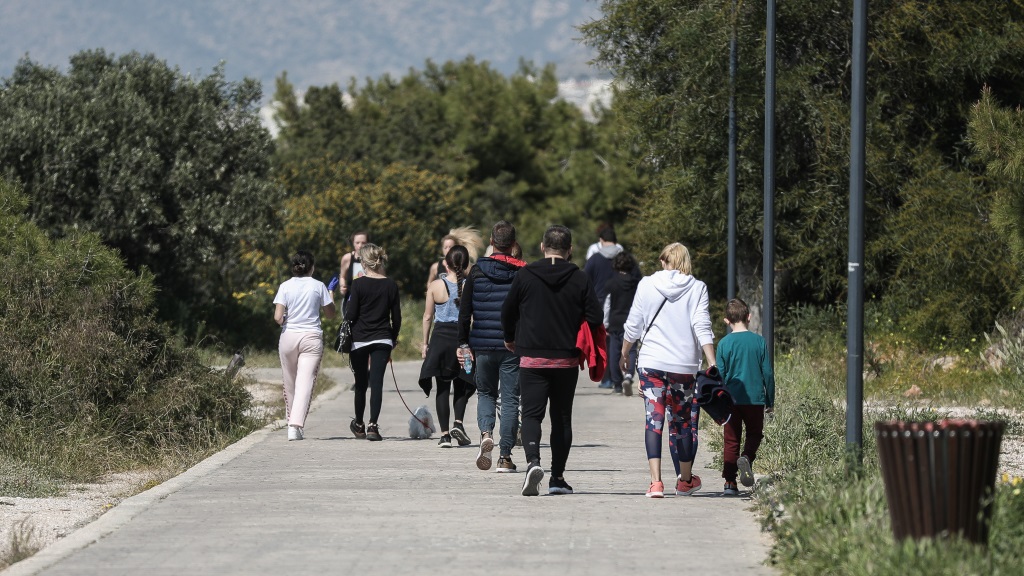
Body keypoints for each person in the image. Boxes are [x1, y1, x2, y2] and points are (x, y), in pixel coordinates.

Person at [501, 225, 602, 496]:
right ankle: (557, 478)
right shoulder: (579, 278)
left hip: (531, 355)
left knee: (532, 414)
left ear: (543, 246)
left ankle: (533, 462)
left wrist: (510, 337)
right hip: (565, 358)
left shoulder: (525, 275)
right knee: (561, 418)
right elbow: (595, 318)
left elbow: (508, 311)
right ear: (570, 250)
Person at [620, 242, 716, 498]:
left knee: (654, 421)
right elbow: (702, 325)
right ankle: (685, 481)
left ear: (663, 261)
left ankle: (656, 483)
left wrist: (623, 352)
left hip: (651, 364)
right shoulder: (698, 288)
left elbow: (633, 325)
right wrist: (712, 361)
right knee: (682, 423)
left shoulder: (647, 284)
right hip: (683, 366)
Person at [457, 220, 527, 473]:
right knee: (510, 399)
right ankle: (505, 457)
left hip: (482, 346)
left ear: (491, 241)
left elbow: (464, 313)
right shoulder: (523, 273)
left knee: (486, 393)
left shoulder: (476, 272)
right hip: (512, 346)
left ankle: (486, 432)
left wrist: (463, 343)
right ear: (513, 244)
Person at [273, 251, 336, 441]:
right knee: (305, 383)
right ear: (312, 267)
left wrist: (285, 321)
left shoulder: (284, 286)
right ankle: (295, 425)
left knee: (290, 383)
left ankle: (291, 422)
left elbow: (278, 317)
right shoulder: (319, 286)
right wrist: (331, 293)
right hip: (311, 338)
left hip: (288, 337)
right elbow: (330, 313)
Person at [717, 298, 775, 495]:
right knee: (755, 433)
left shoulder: (724, 344)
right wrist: (770, 399)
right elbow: (767, 372)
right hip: (754, 398)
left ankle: (730, 483)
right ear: (749, 317)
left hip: (731, 399)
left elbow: (721, 375)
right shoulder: (759, 342)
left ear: (727, 321)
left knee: (731, 439)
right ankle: (747, 457)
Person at [419, 245, 475, 448]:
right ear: (466, 264)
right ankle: (458, 423)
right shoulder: (471, 285)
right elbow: (474, 318)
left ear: (446, 264)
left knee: (442, 387)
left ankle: (444, 435)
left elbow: (427, 317)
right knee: (462, 383)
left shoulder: (435, 285)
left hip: (440, 339)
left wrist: (425, 343)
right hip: (462, 339)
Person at [346, 243, 401, 442]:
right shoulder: (391, 285)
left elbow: (351, 315)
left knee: (361, 383)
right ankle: (373, 426)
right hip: (382, 339)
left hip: (359, 339)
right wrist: (392, 339)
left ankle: (359, 423)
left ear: (363, 262)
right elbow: (397, 318)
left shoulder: (358, 284)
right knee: (377, 383)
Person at [585, 226, 640, 389]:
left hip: (603, 306)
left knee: (609, 345)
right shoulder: (628, 259)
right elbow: (640, 281)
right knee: (629, 345)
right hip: (628, 308)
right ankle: (627, 375)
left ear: (601, 241)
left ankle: (610, 379)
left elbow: (585, 281)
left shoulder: (594, 259)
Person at [604, 251, 640, 396]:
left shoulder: (611, 283)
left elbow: (607, 305)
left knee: (614, 352)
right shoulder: (636, 283)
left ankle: (617, 384)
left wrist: (605, 323)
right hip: (631, 321)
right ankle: (629, 375)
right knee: (631, 350)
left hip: (615, 321)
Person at [338, 230, 369, 317]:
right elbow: (342, 277)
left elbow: (382, 279)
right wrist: (342, 287)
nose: (360, 245)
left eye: (363, 243)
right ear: (353, 243)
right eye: (357, 242)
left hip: (369, 302)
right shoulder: (347, 258)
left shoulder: (374, 260)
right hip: (350, 300)